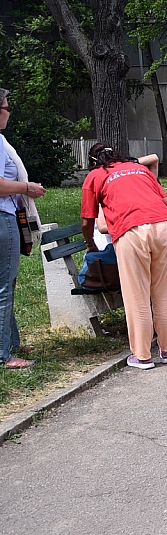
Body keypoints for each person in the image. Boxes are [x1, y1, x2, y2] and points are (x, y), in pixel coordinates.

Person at [81, 142, 167, 370]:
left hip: (130, 230)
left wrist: (91, 243)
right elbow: (166, 202)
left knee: (137, 295)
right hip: (163, 225)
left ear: (93, 162)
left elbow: (87, 221)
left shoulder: (94, 176)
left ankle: (142, 356)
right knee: (163, 292)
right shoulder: (140, 169)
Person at [0, 87, 46, 369]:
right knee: (5, 285)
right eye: (7, 107)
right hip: (2, 216)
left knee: (7, 282)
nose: (9, 113)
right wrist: (26, 188)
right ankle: (4, 355)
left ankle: (11, 341)